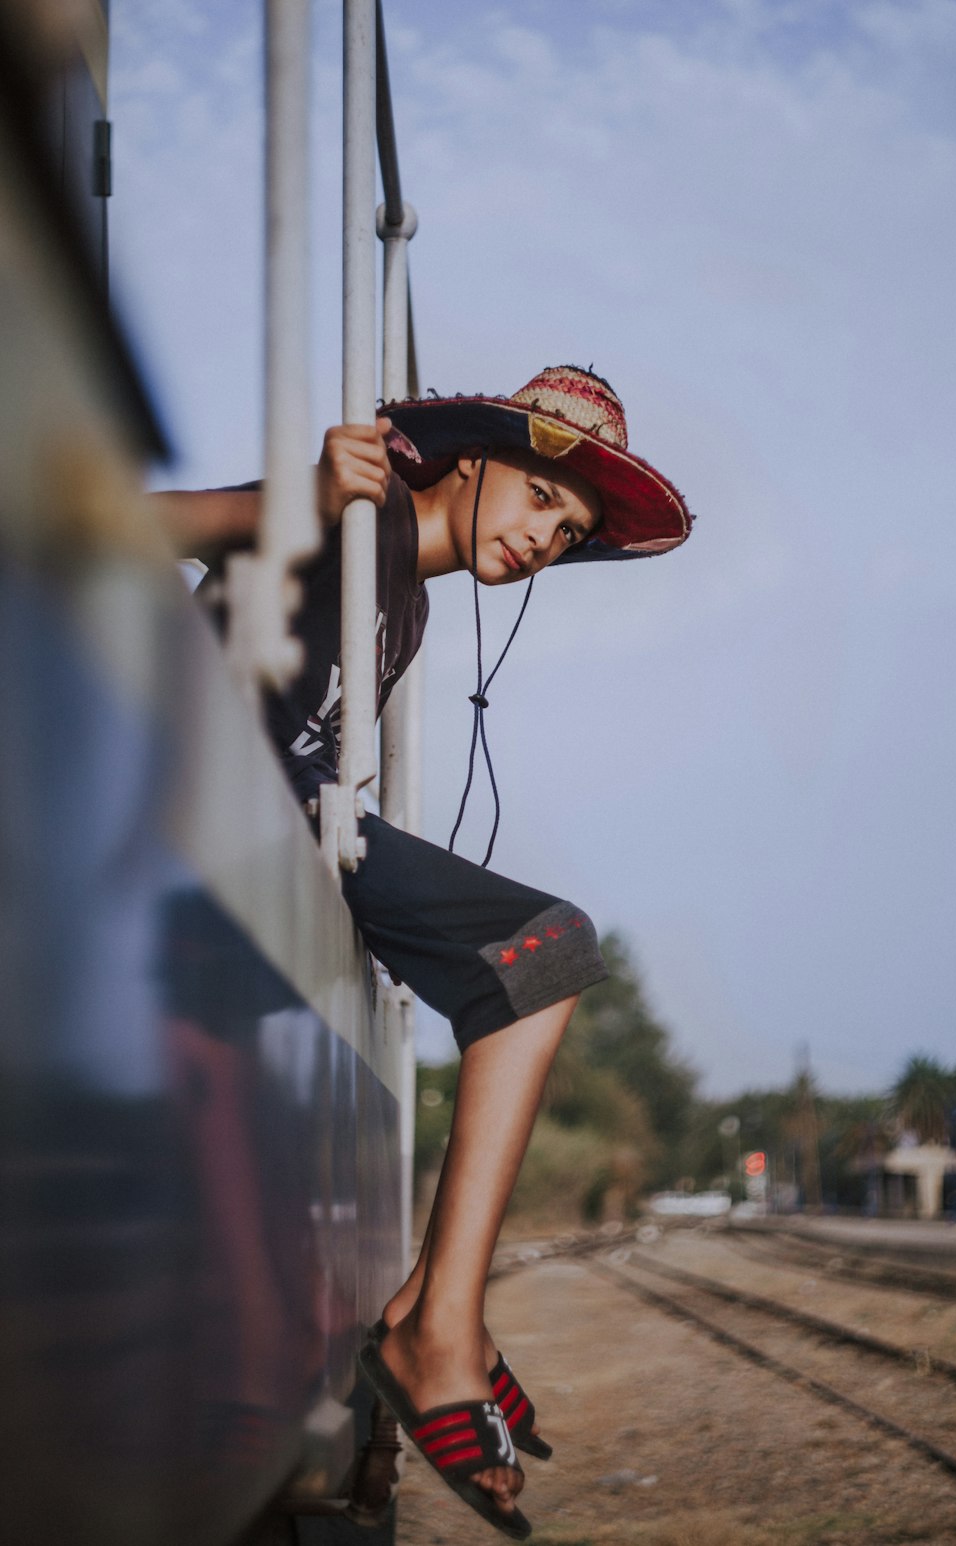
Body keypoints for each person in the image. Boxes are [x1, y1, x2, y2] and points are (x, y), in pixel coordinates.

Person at [164, 365, 692, 1538]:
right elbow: (141, 526)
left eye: (570, 531)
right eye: (545, 499)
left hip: (285, 825)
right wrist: (290, 499)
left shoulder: (407, 592)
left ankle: (436, 1313)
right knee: (543, 945)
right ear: (474, 457)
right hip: (218, 797)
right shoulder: (361, 516)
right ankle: (436, 1324)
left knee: (541, 954)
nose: (547, 539)